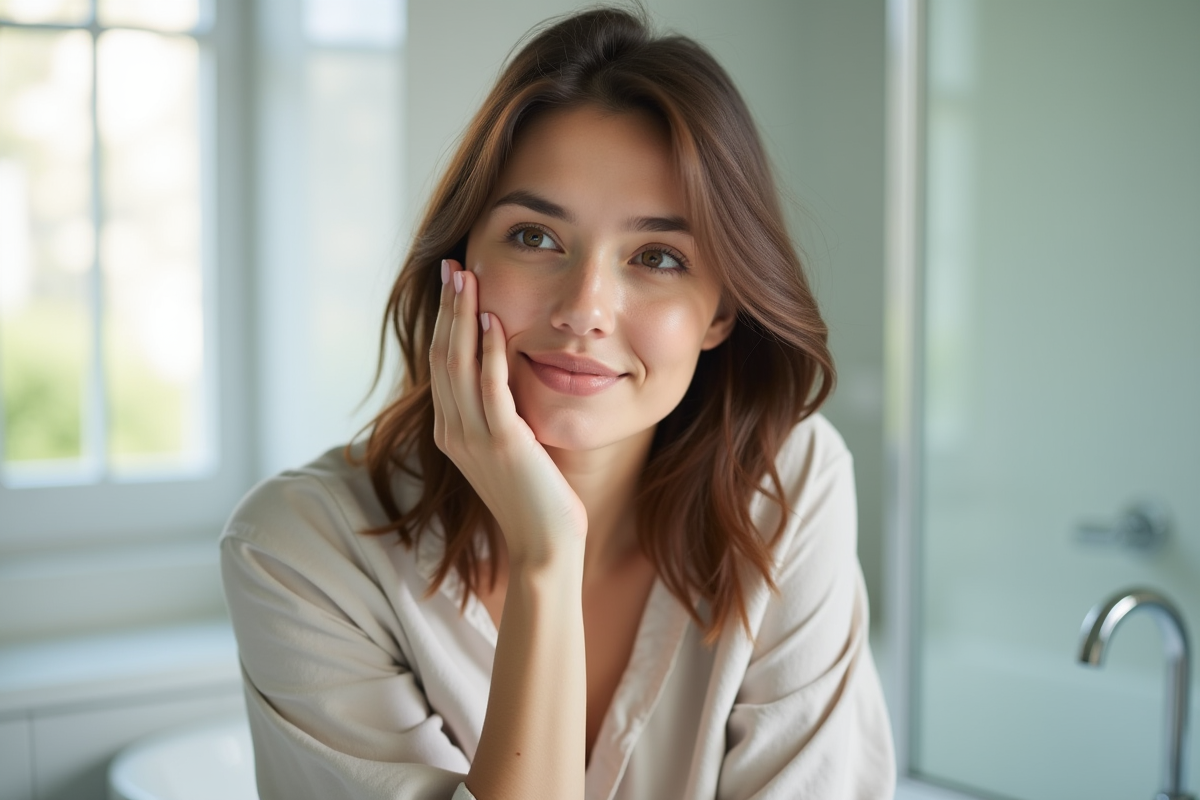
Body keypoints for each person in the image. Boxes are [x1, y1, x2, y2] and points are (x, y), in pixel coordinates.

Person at [220, 6, 895, 800]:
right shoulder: (301, 552)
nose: (585, 308)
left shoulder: (789, 482)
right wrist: (547, 555)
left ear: (721, 313)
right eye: (536, 237)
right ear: (459, 264)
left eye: (657, 256)